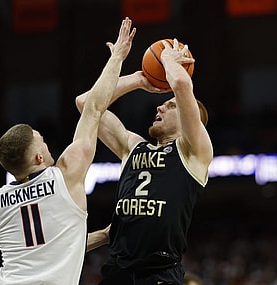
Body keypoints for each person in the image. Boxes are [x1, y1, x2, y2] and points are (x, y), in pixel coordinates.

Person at [0, 17, 136, 285]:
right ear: (38, 157)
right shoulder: (66, 174)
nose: (47, 142)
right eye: (41, 140)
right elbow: (93, 108)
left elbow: (50, 249)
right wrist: (118, 57)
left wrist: (103, 235)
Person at [77, 39, 213, 284]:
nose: (160, 107)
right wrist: (138, 80)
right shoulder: (133, 146)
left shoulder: (193, 153)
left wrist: (168, 60)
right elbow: (86, 103)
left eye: (170, 106)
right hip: (117, 270)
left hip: (158, 272)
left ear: (188, 120)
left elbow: (181, 84)